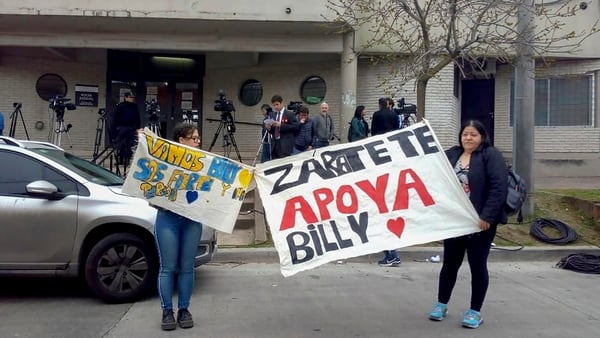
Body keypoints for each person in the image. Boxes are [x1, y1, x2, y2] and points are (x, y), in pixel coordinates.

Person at [428, 119, 508, 329]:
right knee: (450, 264)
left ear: (482, 137)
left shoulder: (491, 155)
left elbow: (498, 188)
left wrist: (487, 217)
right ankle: (441, 304)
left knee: (477, 265)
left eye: (473, 134)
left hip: (480, 222)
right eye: (465, 134)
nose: (468, 138)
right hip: (455, 222)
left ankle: (474, 311)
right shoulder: (452, 154)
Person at [154, 123, 204, 331]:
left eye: (198, 138)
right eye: (193, 138)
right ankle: (167, 311)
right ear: (181, 140)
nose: (197, 141)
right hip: (168, 219)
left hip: (192, 220)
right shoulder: (164, 161)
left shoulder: (204, 163)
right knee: (168, 267)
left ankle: (184, 309)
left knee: (187, 267)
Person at [370, 97, 402, 267]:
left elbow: (373, 132)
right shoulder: (394, 115)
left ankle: (392, 255)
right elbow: (398, 130)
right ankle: (392, 254)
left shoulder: (377, 115)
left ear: (379, 105)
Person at [266, 95, 299, 159]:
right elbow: (272, 131)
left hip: (285, 145)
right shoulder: (273, 115)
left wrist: (281, 125)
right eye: (274, 105)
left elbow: (295, 127)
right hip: (274, 145)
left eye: (277, 104)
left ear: (282, 103)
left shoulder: (289, 114)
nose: (276, 107)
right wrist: (269, 128)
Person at [113, 91, 141, 166]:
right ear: (125, 97)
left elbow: (137, 118)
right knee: (121, 144)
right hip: (122, 127)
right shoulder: (120, 106)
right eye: (130, 97)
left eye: (132, 97)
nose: (132, 99)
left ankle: (127, 160)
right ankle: (121, 159)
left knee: (130, 144)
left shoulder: (134, 106)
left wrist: (138, 128)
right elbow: (116, 117)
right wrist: (116, 128)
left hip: (131, 128)